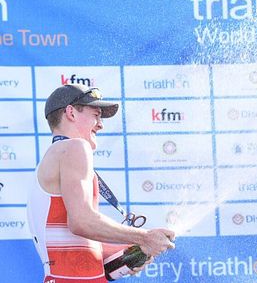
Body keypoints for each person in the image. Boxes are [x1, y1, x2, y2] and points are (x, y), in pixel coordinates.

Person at [27, 84, 176, 282]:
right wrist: (143, 237)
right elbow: (81, 222)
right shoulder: (75, 147)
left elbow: (72, 247)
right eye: (96, 115)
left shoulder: (51, 159)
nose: (100, 124)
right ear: (70, 112)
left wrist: (122, 256)